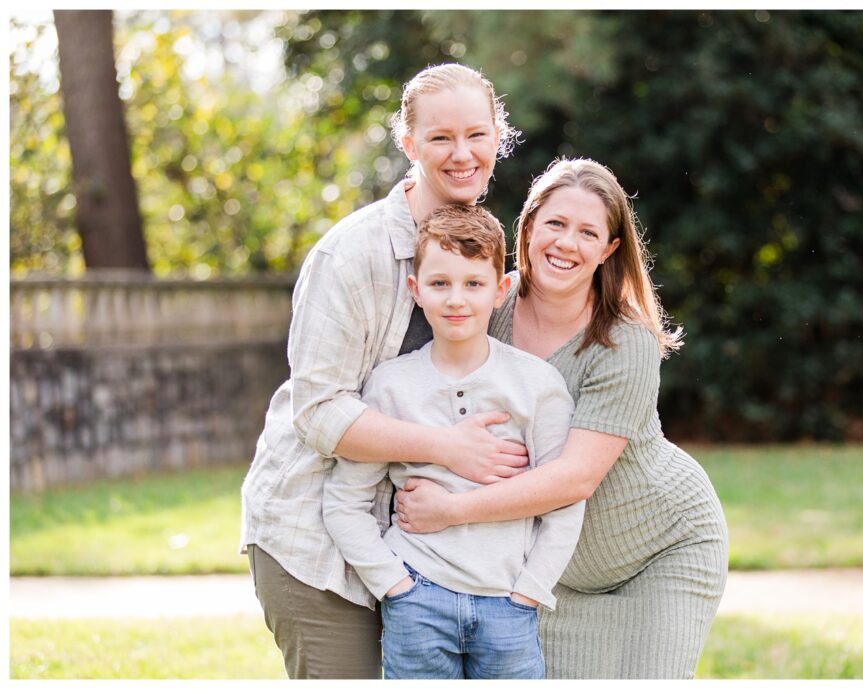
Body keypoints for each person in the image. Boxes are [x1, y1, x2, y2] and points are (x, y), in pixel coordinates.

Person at [239, 63, 526, 679]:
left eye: (477, 135)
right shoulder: (352, 254)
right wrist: (449, 449)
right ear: (408, 143)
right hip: (315, 539)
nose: (462, 154)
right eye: (440, 138)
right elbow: (317, 411)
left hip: (425, 555)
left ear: (499, 137)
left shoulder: (482, 249)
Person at [394, 158, 730, 679]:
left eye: (587, 232)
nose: (566, 243)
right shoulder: (483, 303)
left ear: (609, 249)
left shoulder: (626, 341)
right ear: (527, 229)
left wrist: (450, 510)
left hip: (659, 550)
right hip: (553, 566)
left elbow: (576, 477)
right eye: (554, 224)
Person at [322, 204, 584, 679]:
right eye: (440, 283)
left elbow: (563, 503)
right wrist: (395, 586)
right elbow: (345, 502)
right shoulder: (390, 386)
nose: (456, 299)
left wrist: (528, 591)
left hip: (508, 603)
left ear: (500, 290)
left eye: (473, 284)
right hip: (417, 600)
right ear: (415, 290)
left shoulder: (537, 386)